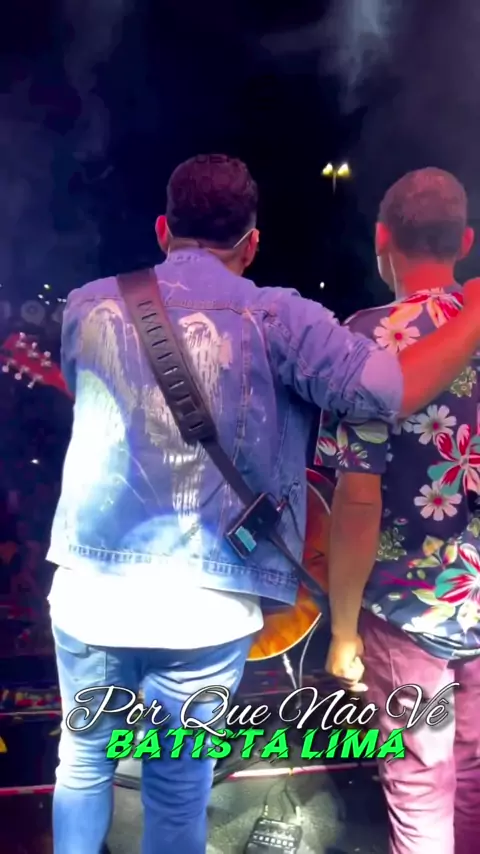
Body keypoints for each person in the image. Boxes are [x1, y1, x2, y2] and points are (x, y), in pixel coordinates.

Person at [48, 154, 480, 854]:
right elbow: (391, 392)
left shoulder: (87, 304)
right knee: (178, 783)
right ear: (251, 244)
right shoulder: (282, 317)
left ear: (162, 230)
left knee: (83, 762)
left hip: (88, 590)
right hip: (207, 603)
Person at [318, 167, 480, 854]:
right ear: (464, 242)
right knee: (475, 771)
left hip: (405, 606)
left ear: (382, 238)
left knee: (420, 778)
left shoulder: (363, 341)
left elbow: (357, 498)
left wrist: (343, 631)